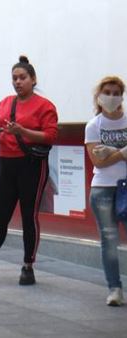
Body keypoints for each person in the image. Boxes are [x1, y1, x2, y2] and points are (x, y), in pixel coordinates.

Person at [0, 56, 58, 285]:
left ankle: (28, 266)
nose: (18, 82)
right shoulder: (5, 103)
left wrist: (22, 131)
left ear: (33, 79)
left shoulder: (45, 106)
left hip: (31, 166)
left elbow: (50, 137)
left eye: (22, 78)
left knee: (29, 216)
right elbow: (2, 131)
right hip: (6, 164)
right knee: (0, 217)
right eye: (14, 78)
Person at [85, 76, 127, 306]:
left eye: (116, 92)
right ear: (99, 97)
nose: (111, 97)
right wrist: (121, 153)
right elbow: (97, 162)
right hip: (102, 189)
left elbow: (104, 156)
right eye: (107, 92)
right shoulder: (94, 125)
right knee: (109, 240)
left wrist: (109, 151)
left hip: (126, 187)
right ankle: (115, 289)